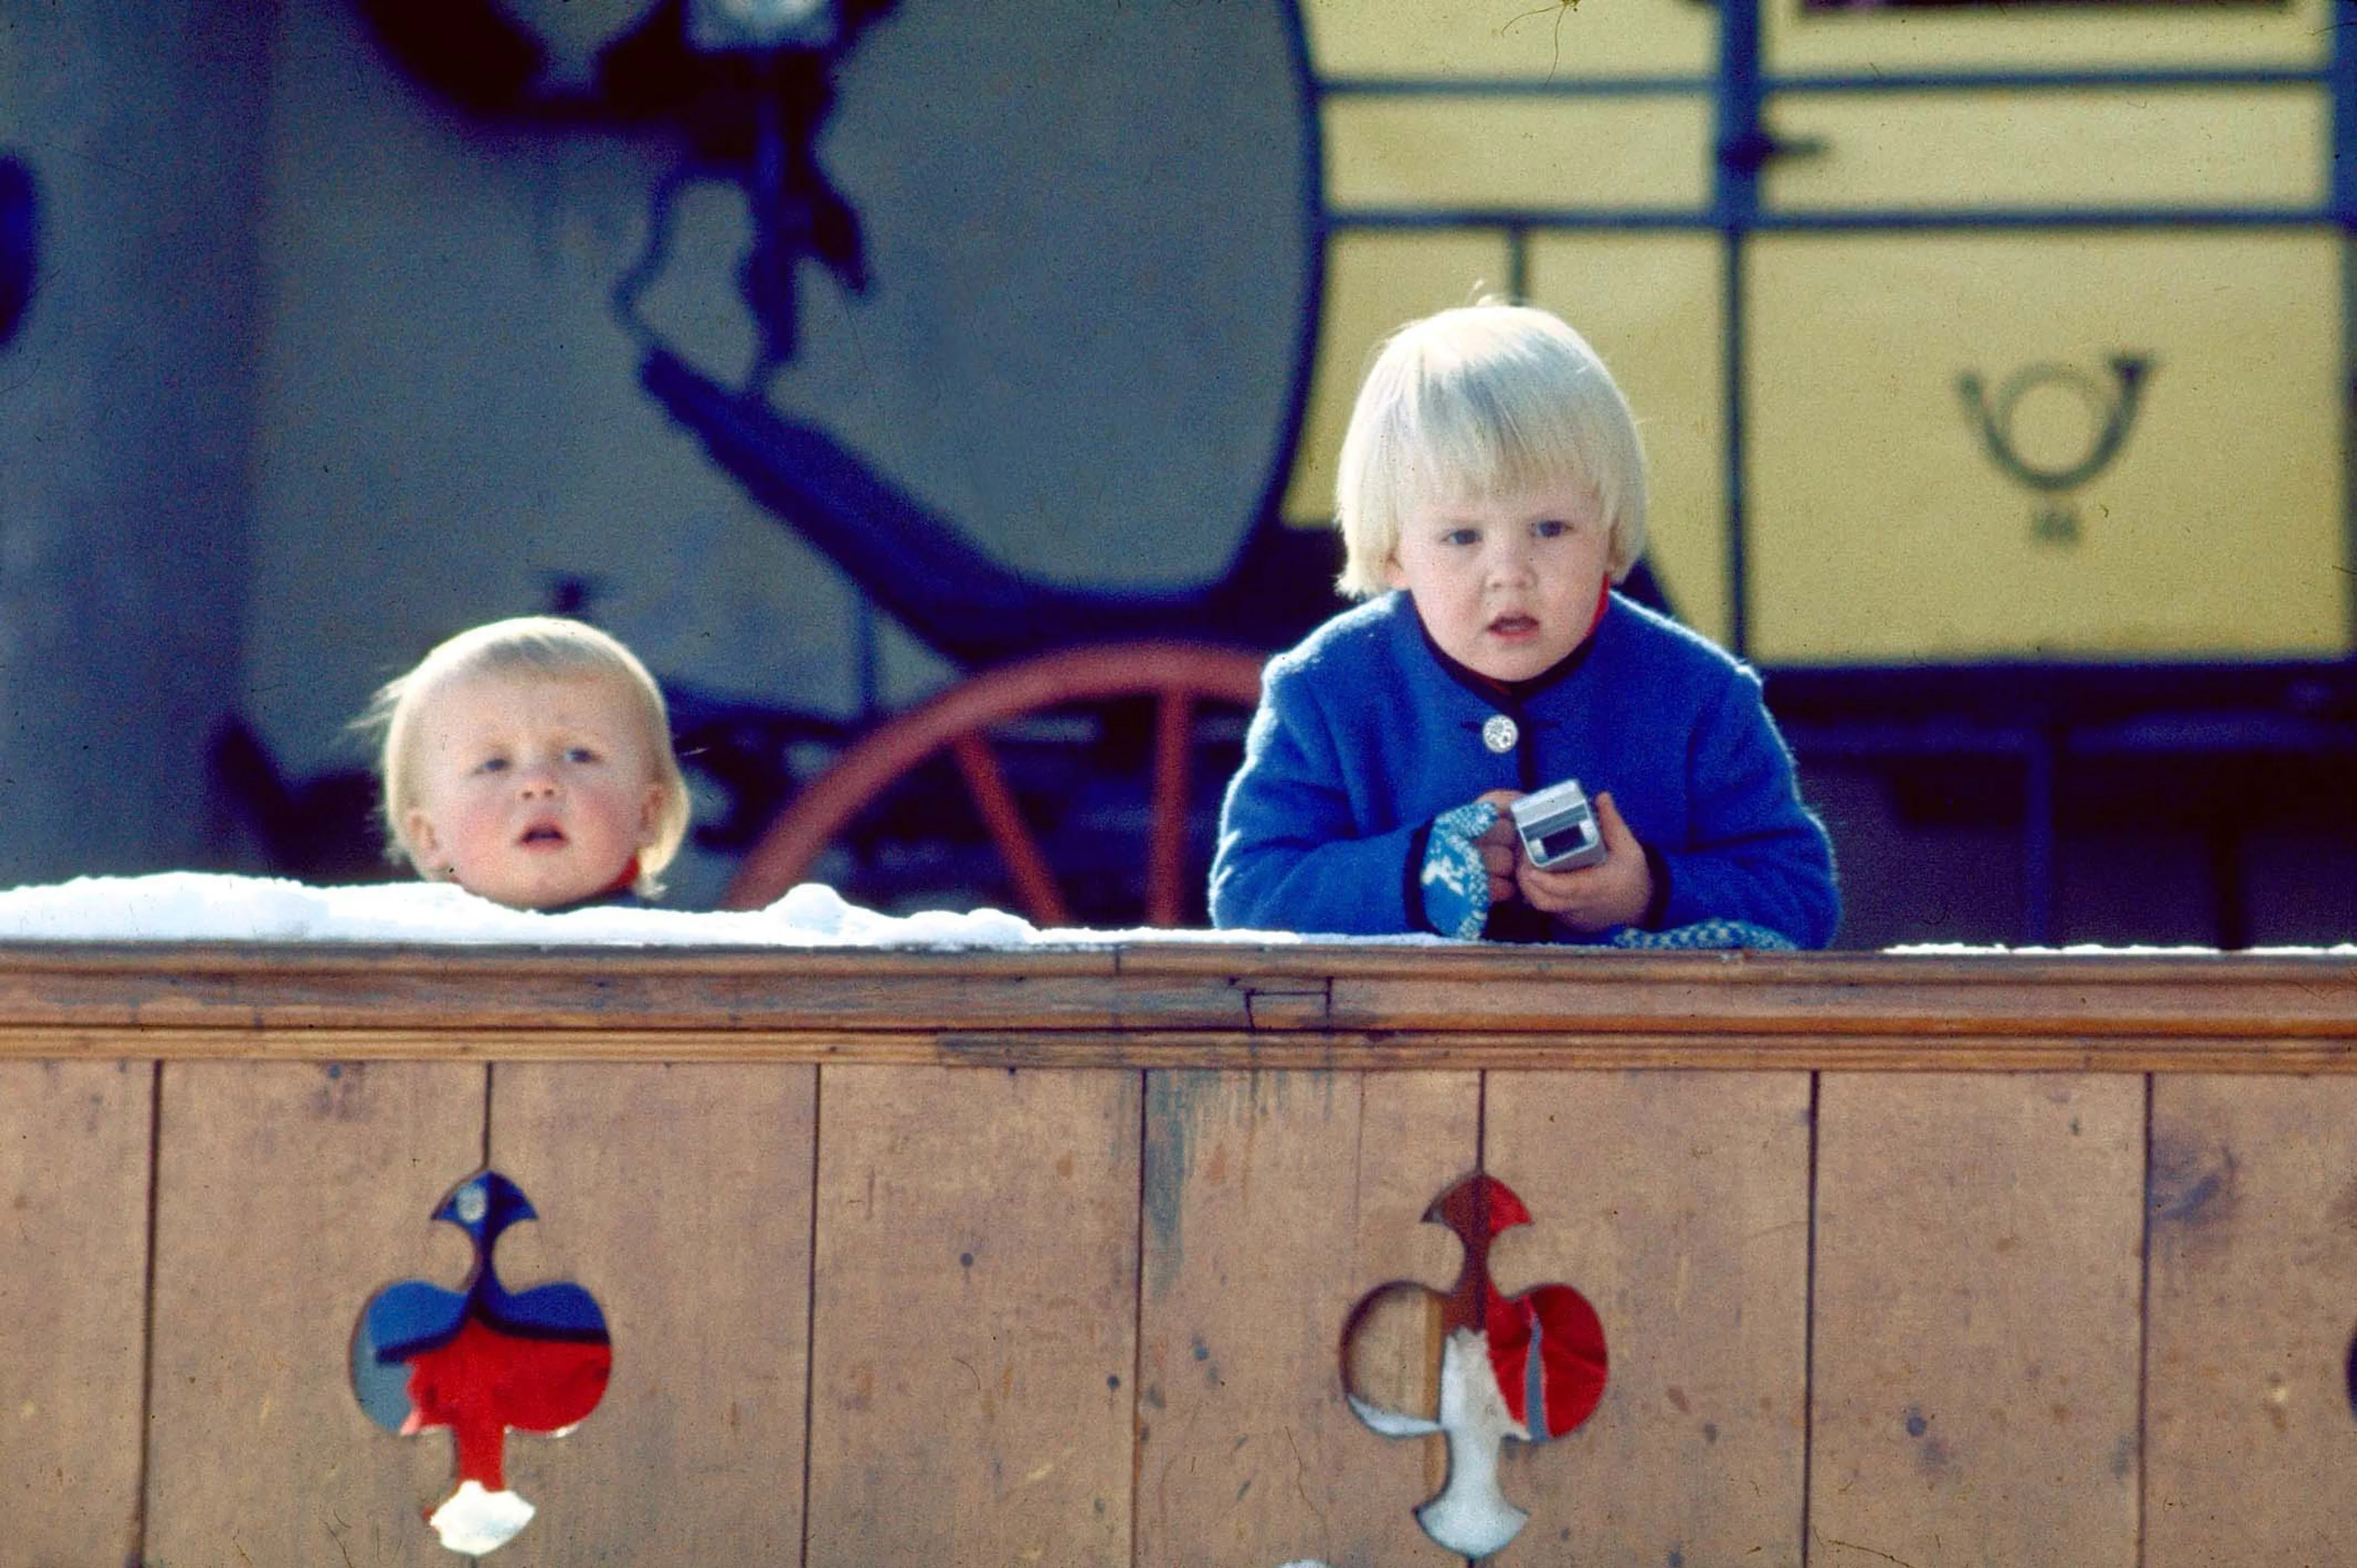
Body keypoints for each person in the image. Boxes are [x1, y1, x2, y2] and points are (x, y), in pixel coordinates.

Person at [1209, 302, 1838, 948]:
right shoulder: (1324, 691)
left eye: (1550, 528)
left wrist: (1648, 889)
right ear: (1395, 551)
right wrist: (1417, 872)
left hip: (1631, 1047)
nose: (1509, 571)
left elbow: (1803, 896)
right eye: (1461, 536)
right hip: (1399, 1046)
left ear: (1612, 535)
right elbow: (1248, 892)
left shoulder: (1703, 697)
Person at [358, 616, 692, 911]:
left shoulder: (692, 966)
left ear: (647, 813)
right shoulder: (402, 966)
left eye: (579, 755)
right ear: (429, 836)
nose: (538, 782)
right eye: (494, 764)